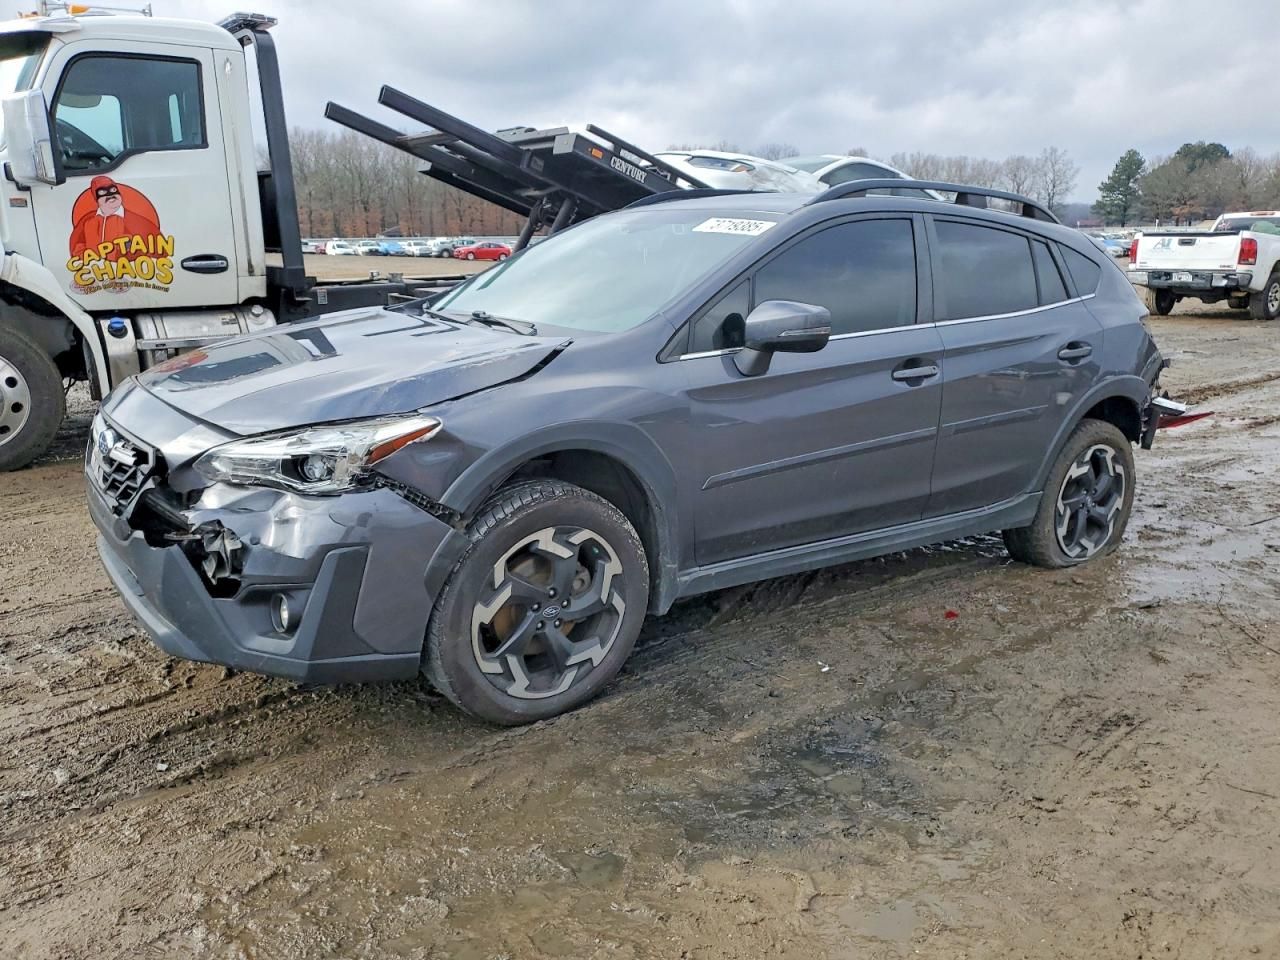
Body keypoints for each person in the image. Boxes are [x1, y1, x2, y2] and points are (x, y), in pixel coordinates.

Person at [69, 176, 162, 261]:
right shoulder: (87, 220)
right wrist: (90, 261)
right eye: (102, 192)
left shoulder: (137, 221)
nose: (110, 195)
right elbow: (76, 247)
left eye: (113, 190)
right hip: (95, 274)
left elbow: (159, 249)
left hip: (129, 275)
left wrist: (131, 251)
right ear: (96, 198)